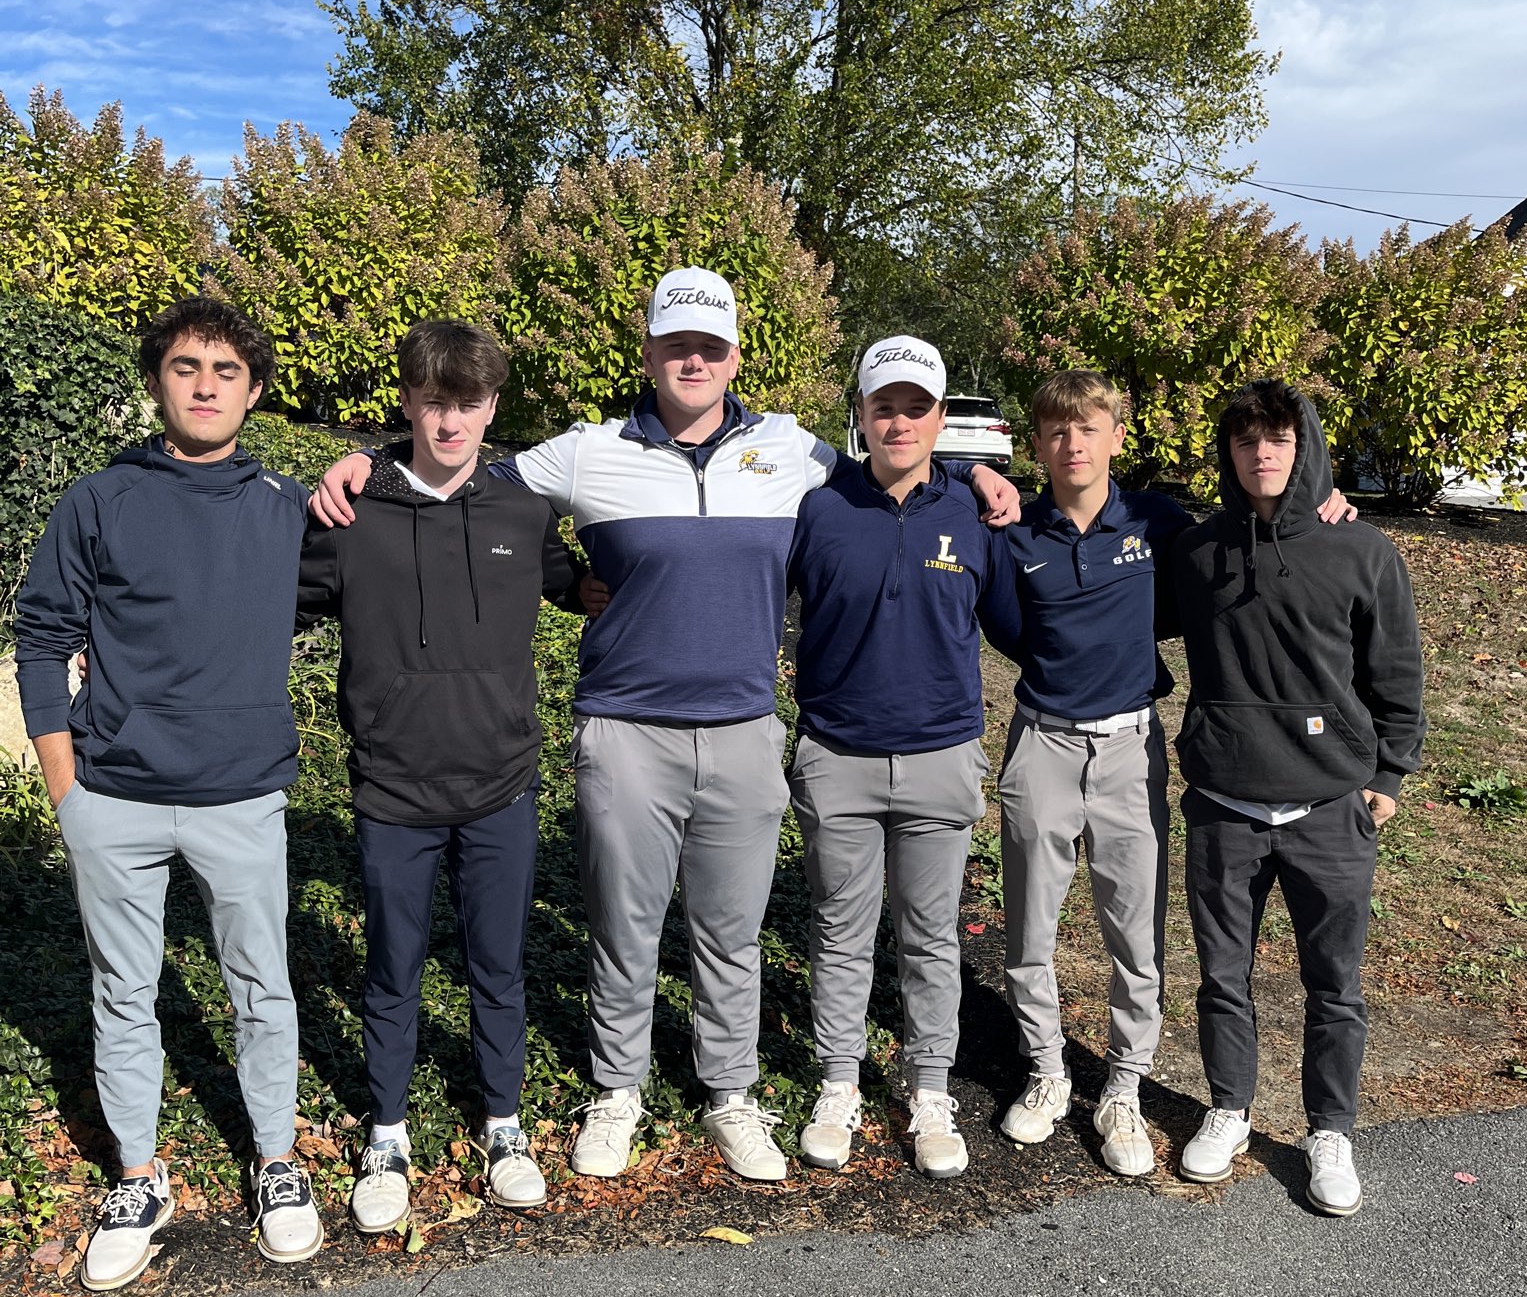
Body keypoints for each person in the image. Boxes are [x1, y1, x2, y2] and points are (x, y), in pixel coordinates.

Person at [310, 268, 1018, 1183]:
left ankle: (731, 1095)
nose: (693, 361)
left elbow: (895, 472)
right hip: (625, 733)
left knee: (730, 934)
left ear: (735, 358)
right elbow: (458, 469)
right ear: (648, 354)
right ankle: (617, 1092)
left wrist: (971, 470)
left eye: (709, 348)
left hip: (743, 732)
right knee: (624, 929)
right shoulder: (589, 451)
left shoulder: (790, 450)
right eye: (676, 345)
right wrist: (368, 462)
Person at [13, 296, 323, 1291]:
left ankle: (275, 1158)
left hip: (242, 795)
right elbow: (41, 635)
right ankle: (139, 1179)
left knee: (262, 986)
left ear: (254, 390)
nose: (204, 385)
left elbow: (400, 537)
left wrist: (366, 466)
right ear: (158, 381)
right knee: (122, 991)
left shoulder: (287, 507)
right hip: (114, 797)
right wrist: (66, 787)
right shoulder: (98, 501)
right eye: (186, 366)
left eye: (226, 370)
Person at [978, 370, 1357, 1181]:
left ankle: (1123, 1087)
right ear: (1036, 444)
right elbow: (1005, 624)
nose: (1073, 444)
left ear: (1117, 438)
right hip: (1042, 744)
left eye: (1089, 428)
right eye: (1056, 431)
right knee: (1030, 929)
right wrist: (973, 469)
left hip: (1128, 747)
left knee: (1135, 932)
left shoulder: (1158, 523)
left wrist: (1323, 503)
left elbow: (1248, 537)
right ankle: (1047, 1072)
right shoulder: (1013, 531)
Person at [295, 321, 587, 1232]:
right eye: (432, 403)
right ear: (408, 403)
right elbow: (263, 605)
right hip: (394, 791)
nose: (450, 422)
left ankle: (503, 1124)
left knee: (498, 967)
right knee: (392, 970)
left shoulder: (523, 511)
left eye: (467, 403)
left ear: (492, 407)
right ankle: (387, 1134)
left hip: (502, 784)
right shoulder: (350, 515)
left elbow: (591, 586)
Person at [1170, 381, 1424, 1216]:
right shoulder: (1197, 552)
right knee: (1222, 977)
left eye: (1278, 439)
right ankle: (1229, 1110)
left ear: (1303, 446)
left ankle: (1330, 1131)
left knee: (1334, 983)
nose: (1262, 455)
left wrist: (1387, 778)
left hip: (1330, 809)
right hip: (1225, 802)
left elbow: (1396, 674)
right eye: (1246, 441)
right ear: (1228, 452)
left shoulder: (1362, 550)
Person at [788, 336, 998, 1179]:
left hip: (942, 754)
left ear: (941, 418)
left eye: (917, 408)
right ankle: (839, 1082)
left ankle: (930, 1090)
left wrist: (981, 476)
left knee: (930, 937)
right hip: (837, 754)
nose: (900, 423)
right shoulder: (817, 506)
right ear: (862, 415)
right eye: (885, 407)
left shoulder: (978, 513)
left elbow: (1020, 618)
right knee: (840, 931)